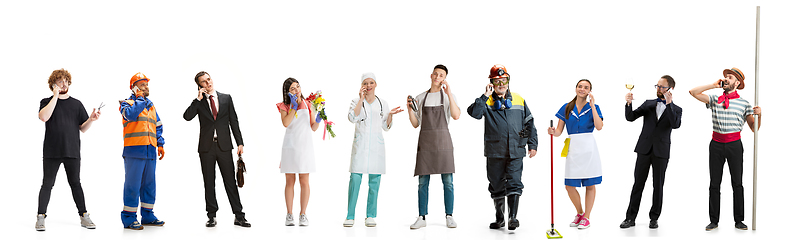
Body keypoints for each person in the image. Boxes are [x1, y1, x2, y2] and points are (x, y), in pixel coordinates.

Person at [688, 67, 762, 231]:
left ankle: (739, 220)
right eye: (725, 77)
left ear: (737, 83)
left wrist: (760, 115)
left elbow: (754, 128)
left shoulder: (744, 103)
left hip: (735, 146)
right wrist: (713, 85)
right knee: (714, 183)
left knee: (737, 183)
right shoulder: (715, 99)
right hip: (716, 145)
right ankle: (714, 220)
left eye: (730, 77)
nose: (726, 79)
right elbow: (693, 92)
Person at [467, 65, 538, 230]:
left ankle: (513, 218)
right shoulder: (487, 101)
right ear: (492, 83)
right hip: (495, 151)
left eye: (504, 80)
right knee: (496, 184)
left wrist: (532, 144)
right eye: (497, 81)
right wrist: (484, 95)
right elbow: (474, 113)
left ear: (508, 81)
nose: (501, 83)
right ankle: (500, 219)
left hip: (516, 149)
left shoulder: (519, 99)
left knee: (514, 182)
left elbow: (529, 123)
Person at [183, 71, 250, 228]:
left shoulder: (226, 98)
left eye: (209, 79)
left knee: (230, 182)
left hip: (224, 146)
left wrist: (240, 142)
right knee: (209, 182)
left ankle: (239, 215)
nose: (208, 83)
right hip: (206, 148)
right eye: (204, 82)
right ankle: (211, 216)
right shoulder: (199, 103)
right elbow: (187, 116)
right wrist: (198, 99)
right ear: (200, 86)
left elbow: (234, 121)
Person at [35, 68, 100, 231]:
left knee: (75, 183)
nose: (63, 84)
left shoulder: (76, 104)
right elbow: (44, 117)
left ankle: (84, 216)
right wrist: (56, 96)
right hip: (52, 151)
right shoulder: (46, 101)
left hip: (72, 150)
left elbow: (83, 128)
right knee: (47, 184)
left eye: (65, 81)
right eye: (59, 81)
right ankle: (40, 217)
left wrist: (91, 119)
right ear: (53, 84)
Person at [620, 75, 682, 229]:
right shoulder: (648, 104)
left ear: (670, 89)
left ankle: (654, 218)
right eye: (657, 86)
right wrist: (628, 103)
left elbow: (675, 125)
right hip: (644, 149)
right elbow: (630, 117)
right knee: (638, 184)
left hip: (661, 151)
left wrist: (669, 105)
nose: (658, 89)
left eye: (662, 87)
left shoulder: (677, 109)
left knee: (658, 185)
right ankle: (630, 218)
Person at [342, 73, 403, 227]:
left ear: (376, 84)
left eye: (371, 83)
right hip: (361, 146)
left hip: (376, 147)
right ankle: (350, 216)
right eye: (365, 83)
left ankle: (370, 215)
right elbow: (352, 118)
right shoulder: (356, 101)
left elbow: (386, 126)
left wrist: (390, 116)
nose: (368, 86)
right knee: (355, 180)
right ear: (362, 86)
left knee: (374, 183)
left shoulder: (383, 103)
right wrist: (361, 99)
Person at [407, 64, 461, 229]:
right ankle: (422, 217)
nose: (438, 77)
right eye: (436, 74)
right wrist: (409, 110)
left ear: (445, 79)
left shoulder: (447, 97)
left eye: (441, 75)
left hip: (443, 142)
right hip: (425, 143)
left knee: (448, 182)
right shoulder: (420, 97)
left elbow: (456, 115)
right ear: (431, 76)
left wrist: (449, 94)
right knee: (423, 182)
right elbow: (416, 124)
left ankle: (449, 216)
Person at [547, 79, 603, 229]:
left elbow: (599, 127)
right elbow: (559, 131)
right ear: (576, 88)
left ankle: (587, 217)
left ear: (590, 91)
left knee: (590, 184)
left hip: (588, 148)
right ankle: (580, 213)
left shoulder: (594, 107)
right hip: (573, 149)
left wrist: (592, 107)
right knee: (569, 185)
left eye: (586, 88)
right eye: (580, 86)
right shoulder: (567, 107)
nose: (582, 89)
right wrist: (553, 132)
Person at [119, 72, 165, 230]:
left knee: (149, 185)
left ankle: (147, 215)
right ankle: (129, 217)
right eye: (142, 84)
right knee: (132, 185)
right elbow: (131, 116)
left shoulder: (151, 106)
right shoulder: (126, 104)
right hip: (134, 150)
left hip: (150, 150)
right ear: (134, 88)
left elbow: (157, 125)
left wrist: (160, 144)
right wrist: (139, 99)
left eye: (146, 84)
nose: (146, 87)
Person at [277, 77, 321, 226]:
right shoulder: (284, 106)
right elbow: (286, 123)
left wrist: (319, 120)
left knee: (304, 181)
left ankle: (303, 214)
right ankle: (289, 214)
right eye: (292, 89)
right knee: (290, 181)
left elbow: (313, 127)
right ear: (287, 92)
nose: (296, 90)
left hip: (305, 147)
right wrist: (294, 107)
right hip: (290, 147)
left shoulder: (309, 104)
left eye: (298, 87)